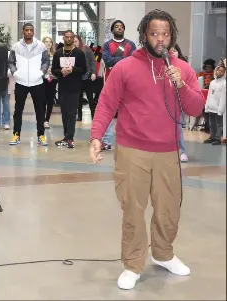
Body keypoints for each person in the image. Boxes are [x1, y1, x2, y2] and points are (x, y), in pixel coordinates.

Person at [89, 9, 205, 290]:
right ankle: (133, 263)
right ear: (144, 36)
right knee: (133, 209)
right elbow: (106, 103)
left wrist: (181, 84)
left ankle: (164, 254)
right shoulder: (125, 67)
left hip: (167, 153)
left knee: (168, 209)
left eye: (166, 34)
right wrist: (95, 136)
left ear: (172, 36)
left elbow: (196, 107)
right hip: (131, 150)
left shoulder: (184, 70)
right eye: (155, 33)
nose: (160, 39)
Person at [8, 23, 50, 146]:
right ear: (23, 32)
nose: (29, 32)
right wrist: (15, 73)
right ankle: (16, 134)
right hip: (21, 82)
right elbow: (11, 62)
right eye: (27, 30)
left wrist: (41, 73)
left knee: (40, 110)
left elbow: (46, 61)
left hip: (37, 82)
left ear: (34, 32)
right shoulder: (16, 46)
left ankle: (41, 135)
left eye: (31, 30)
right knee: (18, 110)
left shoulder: (41, 46)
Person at [101, 20, 137, 151]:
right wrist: (124, 59)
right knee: (109, 111)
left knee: (128, 111)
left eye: (122, 27)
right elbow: (107, 60)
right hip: (111, 80)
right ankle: (106, 141)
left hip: (128, 81)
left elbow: (134, 61)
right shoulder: (107, 45)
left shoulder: (130, 44)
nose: (119, 28)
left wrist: (117, 61)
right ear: (112, 30)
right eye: (117, 27)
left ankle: (129, 139)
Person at [51, 30, 86, 148]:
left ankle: (70, 138)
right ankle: (66, 136)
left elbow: (83, 69)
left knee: (71, 113)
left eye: (71, 37)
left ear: (74, 38)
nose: (69, 39)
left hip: (75, 87)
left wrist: (72, 69)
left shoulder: (79, 53)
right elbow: (53, 70)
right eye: (67, 37)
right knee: (64, 113)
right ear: (63, 38)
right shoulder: (58, 53)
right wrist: (60, 71)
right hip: (62, 87)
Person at [170, 44, 189, 162]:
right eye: (170, 50)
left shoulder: (184, 66)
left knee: (178, 127)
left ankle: (183, 151)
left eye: (175, 50)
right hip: (164, 101)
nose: (172, 52)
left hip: (178, 101)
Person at [74, 34, 97, 121]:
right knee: (78, 98)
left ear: (79, 41)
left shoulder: (86, 49)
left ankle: (93, 115)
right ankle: (79, 115)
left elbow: (93, 61)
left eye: (76, 41)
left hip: (87, 76)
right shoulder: (72, 50)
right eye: (73, 42)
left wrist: (94, 72)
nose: (75, 43)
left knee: (90, 97)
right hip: (77, 78)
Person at [204, 60, 226, 145]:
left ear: (224, 73)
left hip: (218, 108)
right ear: (216, 70)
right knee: (211, 123)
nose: (219, 72)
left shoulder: (224, 83)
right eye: (218, 70)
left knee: (219, 124)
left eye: (222, 71)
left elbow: (223, 98)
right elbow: (209, 95)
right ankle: (212, 137)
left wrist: (220, 110)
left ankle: (217, 138)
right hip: (211, 107)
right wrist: (207, 106)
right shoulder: (212, 82)